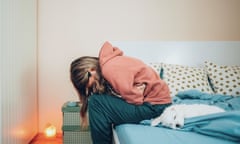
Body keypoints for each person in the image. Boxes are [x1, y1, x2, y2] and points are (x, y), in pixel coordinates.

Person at [70, 41, 172, 144]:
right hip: (157, 104)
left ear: (91, 70)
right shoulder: (112, 63)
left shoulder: (109, 69)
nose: (91, 86)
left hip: (154, 107)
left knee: (96, 102)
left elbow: (135, 100)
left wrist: (125, 102)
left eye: (89, 83)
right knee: (99, 100)